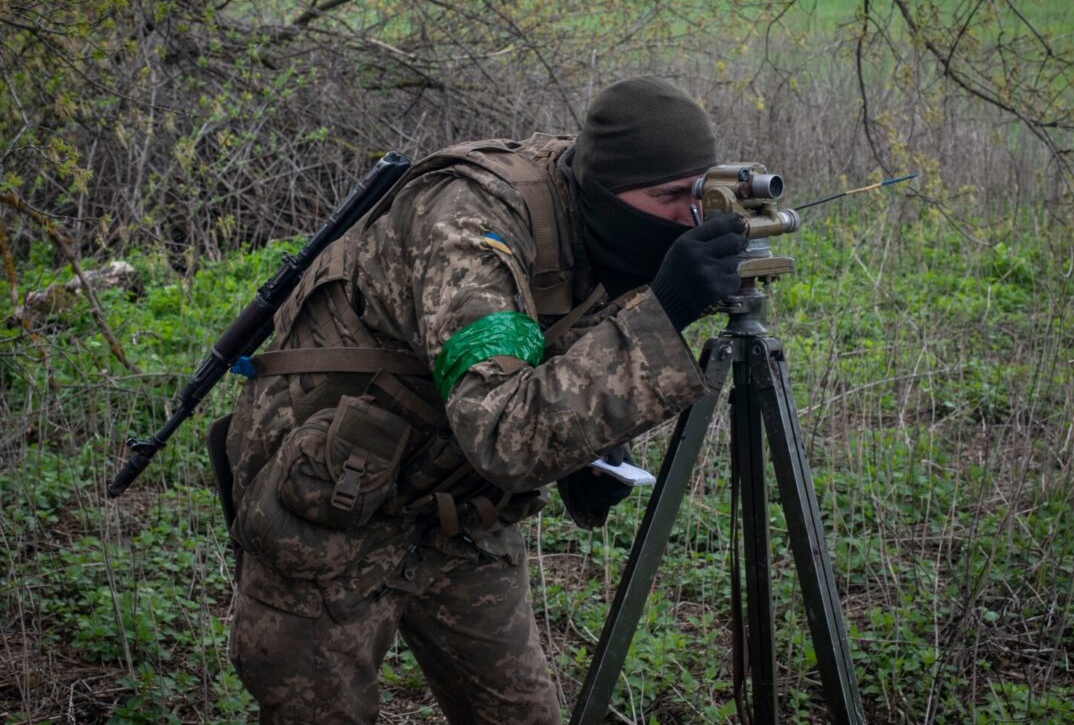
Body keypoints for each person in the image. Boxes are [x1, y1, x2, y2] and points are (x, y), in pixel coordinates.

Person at [221, 75, 751, 724]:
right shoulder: (472, 220)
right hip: (328, 504)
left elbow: (556, 343)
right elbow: (503, 428)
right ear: (607, 191)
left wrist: (588, 455)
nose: (690, 218)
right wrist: (665, 312)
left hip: (457, 509)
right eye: (671, 197)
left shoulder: (601, 219)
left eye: (700, 195)